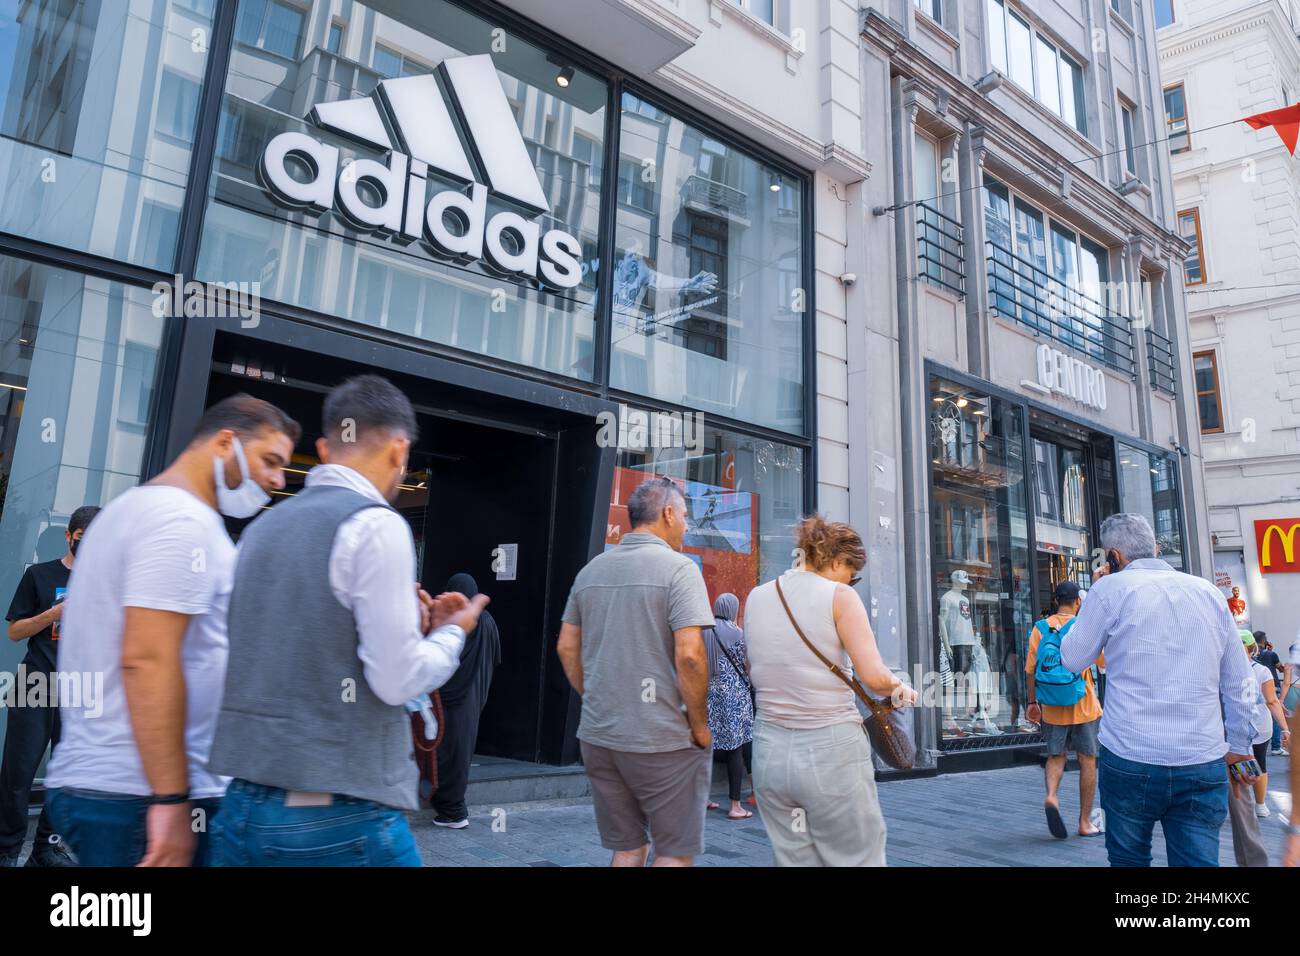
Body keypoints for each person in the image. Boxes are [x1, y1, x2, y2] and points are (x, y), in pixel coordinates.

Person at [208, 375, 486, 867]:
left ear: (322, 445)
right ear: (400, 451)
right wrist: (450, 633)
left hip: (240, 807)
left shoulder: (258, 531)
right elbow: (397, 679)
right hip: (340, 817)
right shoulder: (376, 525)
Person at [43, 396, 299, 866]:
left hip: (124, 790)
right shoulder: (179, 522)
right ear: (226, 442)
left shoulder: (137, 511)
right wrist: (170, 801)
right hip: (138, 795)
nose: (278, 481)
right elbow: (148, 659)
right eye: (271, 461)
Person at [1061, 513, 1258, 868]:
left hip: (1130, 754)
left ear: (1113, 557)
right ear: (1154, 548)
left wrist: (1088, 600)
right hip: (1201, 755)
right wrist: (1241, 744)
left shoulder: (1109, 590)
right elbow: (1240, 680)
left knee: (1129, 860)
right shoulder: (1208, 592)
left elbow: (1074, 659)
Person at [556, 477, 715, 867]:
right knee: (674, 852)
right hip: (662, 739)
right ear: (667, 514)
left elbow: (565, 646)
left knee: (627, 848)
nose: (687, 525)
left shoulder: (591, 571)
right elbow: (691, 656)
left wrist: (594, 696)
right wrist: (699, 726)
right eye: (685, 516)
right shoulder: (681, 570)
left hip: (600, 734)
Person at [745, 515, 917, 867]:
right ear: (837, 560)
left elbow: (757, 669)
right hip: (830, 751)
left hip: (768, 753)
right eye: (852, 574)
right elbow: (874, 676)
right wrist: (902, 689)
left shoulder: (758, 596)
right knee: (857, 859)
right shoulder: (839, 597)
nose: (852, 583)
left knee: (796, 860)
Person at [0, 505, 99, 867]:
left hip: (81, 687)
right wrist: (52, 615)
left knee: (66, 774)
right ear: (69, 535)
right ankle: (7, 848)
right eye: (82, 537)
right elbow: (14, 632)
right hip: (35, 683)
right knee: (18, 773)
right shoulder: (40, 576)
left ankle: (46, 847)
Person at [1025, 581, 1103, 839]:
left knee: (1055, 756)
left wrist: (1032, 703)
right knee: (1087, 759)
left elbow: (1030, 670)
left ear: (1056, 601)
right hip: (1084, 704)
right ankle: (1084, 822)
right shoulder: (1084, 627)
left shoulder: (1040, 628)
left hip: (1052, 705)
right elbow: (1102, 662)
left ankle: (1051, 796)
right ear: (1078, 602)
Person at [431, 571, 501, 829]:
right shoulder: (489, 622)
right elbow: (495, 658)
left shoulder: (457, 621)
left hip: (449, 698)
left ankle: (453, 811)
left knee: (445, 752)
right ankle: (451, 808)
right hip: (475, 695)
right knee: (460, 752)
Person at [703, 592, 754, 820]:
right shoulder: (739, 634)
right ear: (733, 609)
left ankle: (701, 798)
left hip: (706, 694)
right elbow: (748, 665)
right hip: (734, 697)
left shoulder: (702, 631)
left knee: (704, 746)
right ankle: (735, 806)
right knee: (736, 748)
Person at [1240, 631, 1290, 818]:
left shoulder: (1223, 668)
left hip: (1233, 726)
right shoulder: (1261, 671)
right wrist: (1285, 728)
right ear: (1253, 648)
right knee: (1259, 762)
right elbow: (1272, 702)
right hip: (1259, 725)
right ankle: (1260, 805)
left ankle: (1243, 802)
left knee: (1240, 761)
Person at [1254, 633, 1288, 756]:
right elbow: (1281, 669)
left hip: (1257, 686)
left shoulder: (1253, 656)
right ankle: (1276, 746)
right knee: (1274, 713)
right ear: (1265, 641)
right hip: (1272, 685)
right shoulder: (1271, 655)